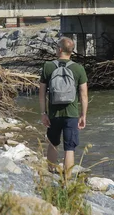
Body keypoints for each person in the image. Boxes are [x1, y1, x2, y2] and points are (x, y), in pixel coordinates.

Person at [39, 36, 88, 177]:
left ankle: (50, 174)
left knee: (53, 143)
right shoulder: (79, 69)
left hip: (54, 114)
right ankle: (67, 179)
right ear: (71, 51)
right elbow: (84, 95)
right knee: (69, 148)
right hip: (71, 114)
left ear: (60, 49)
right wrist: (83, 115)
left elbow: (42, 93)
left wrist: (43, 113)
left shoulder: (48, 66)